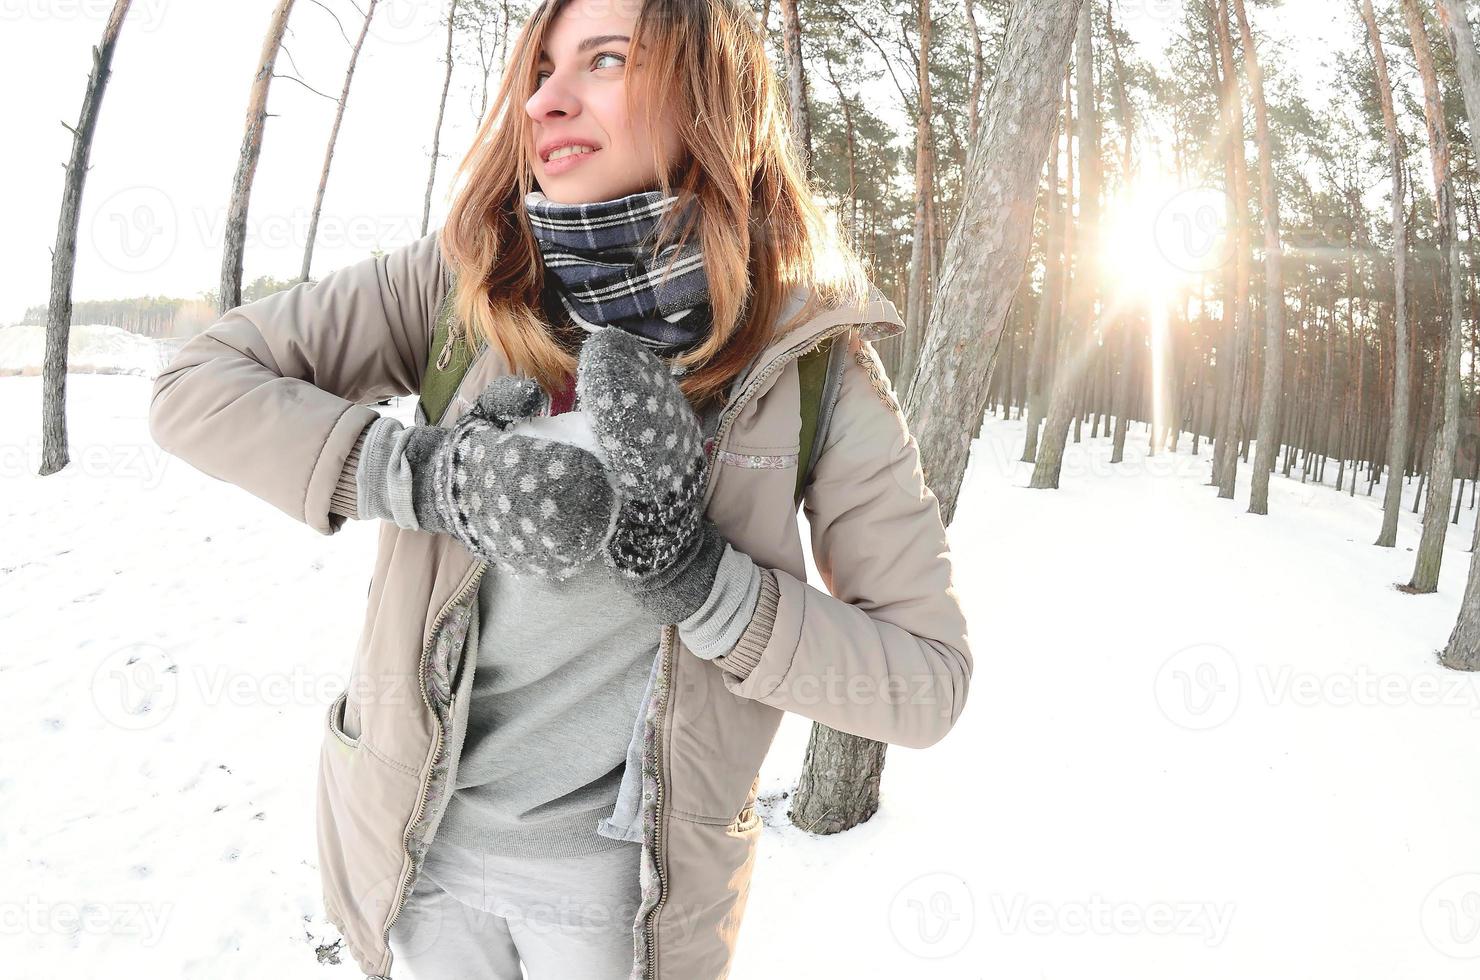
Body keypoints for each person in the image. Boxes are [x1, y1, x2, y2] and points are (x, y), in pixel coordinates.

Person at [148, 0, 972, 977]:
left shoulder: (809, 363)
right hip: (417, 858)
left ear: (711, 92)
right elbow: (193, 387)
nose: (546, 98)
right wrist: (425, 476)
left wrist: (706, 583)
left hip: (623, 903)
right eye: (540, 68)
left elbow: (926, 683)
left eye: (605, 59)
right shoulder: (462, 283)